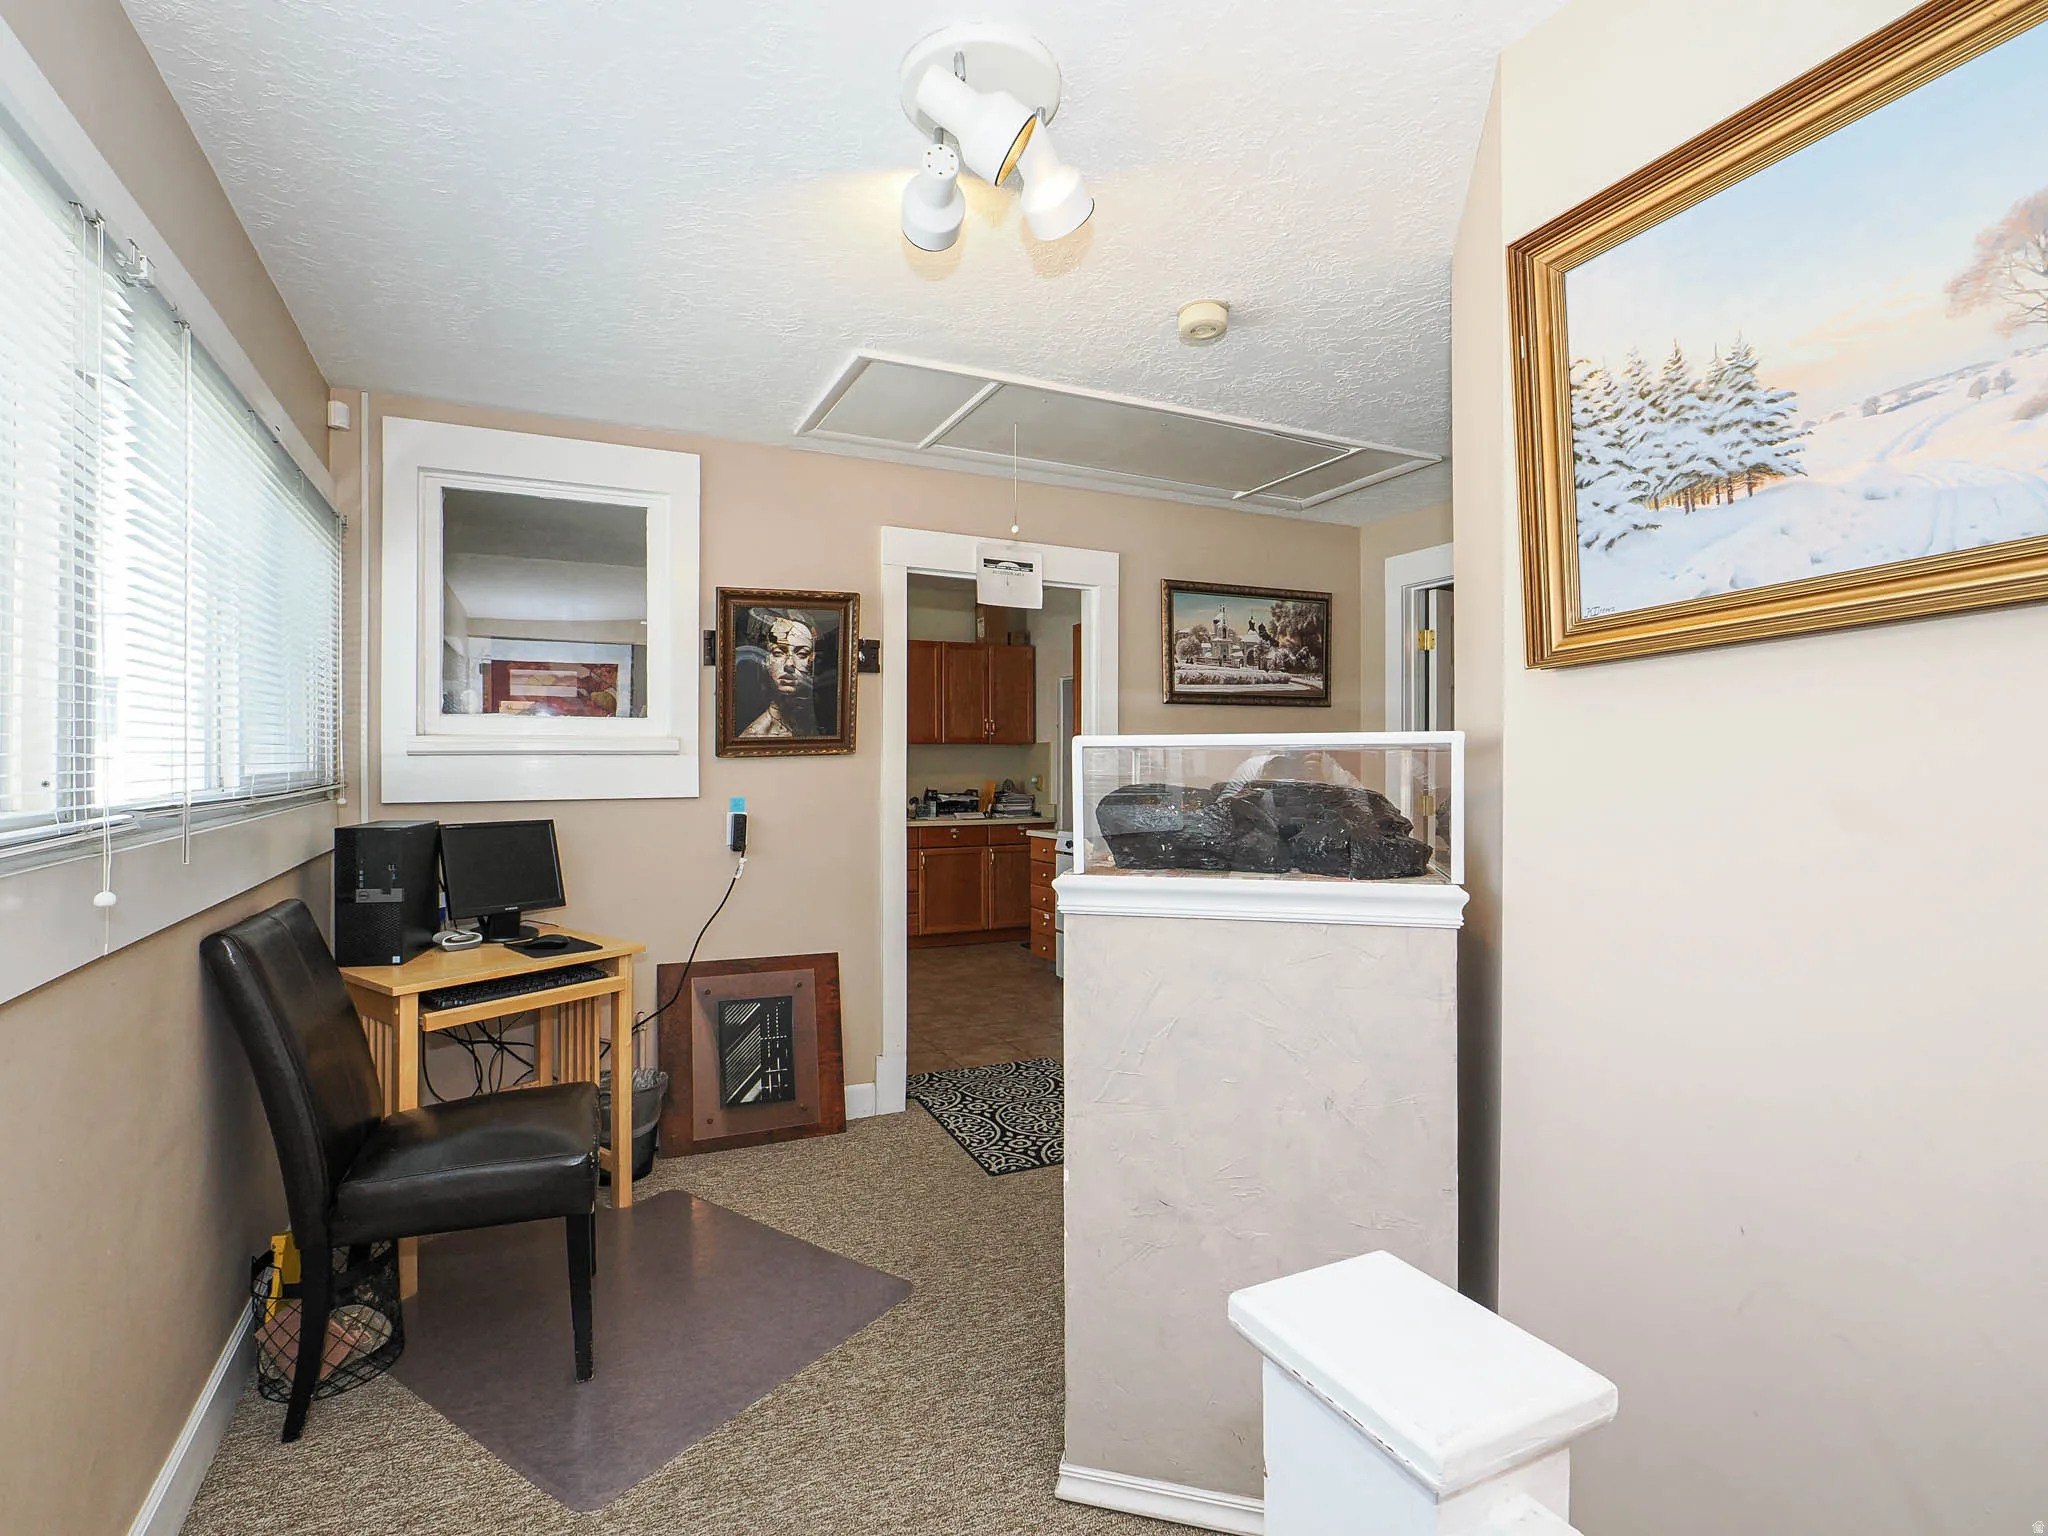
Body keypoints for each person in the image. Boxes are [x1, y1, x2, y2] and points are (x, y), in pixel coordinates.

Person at [738, 609, 821, 738]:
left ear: (812, 660)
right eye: (778, 653)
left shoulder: (815, 722)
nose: (789, 664)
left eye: (802, 654)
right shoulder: (757, 735)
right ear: (765, 661)